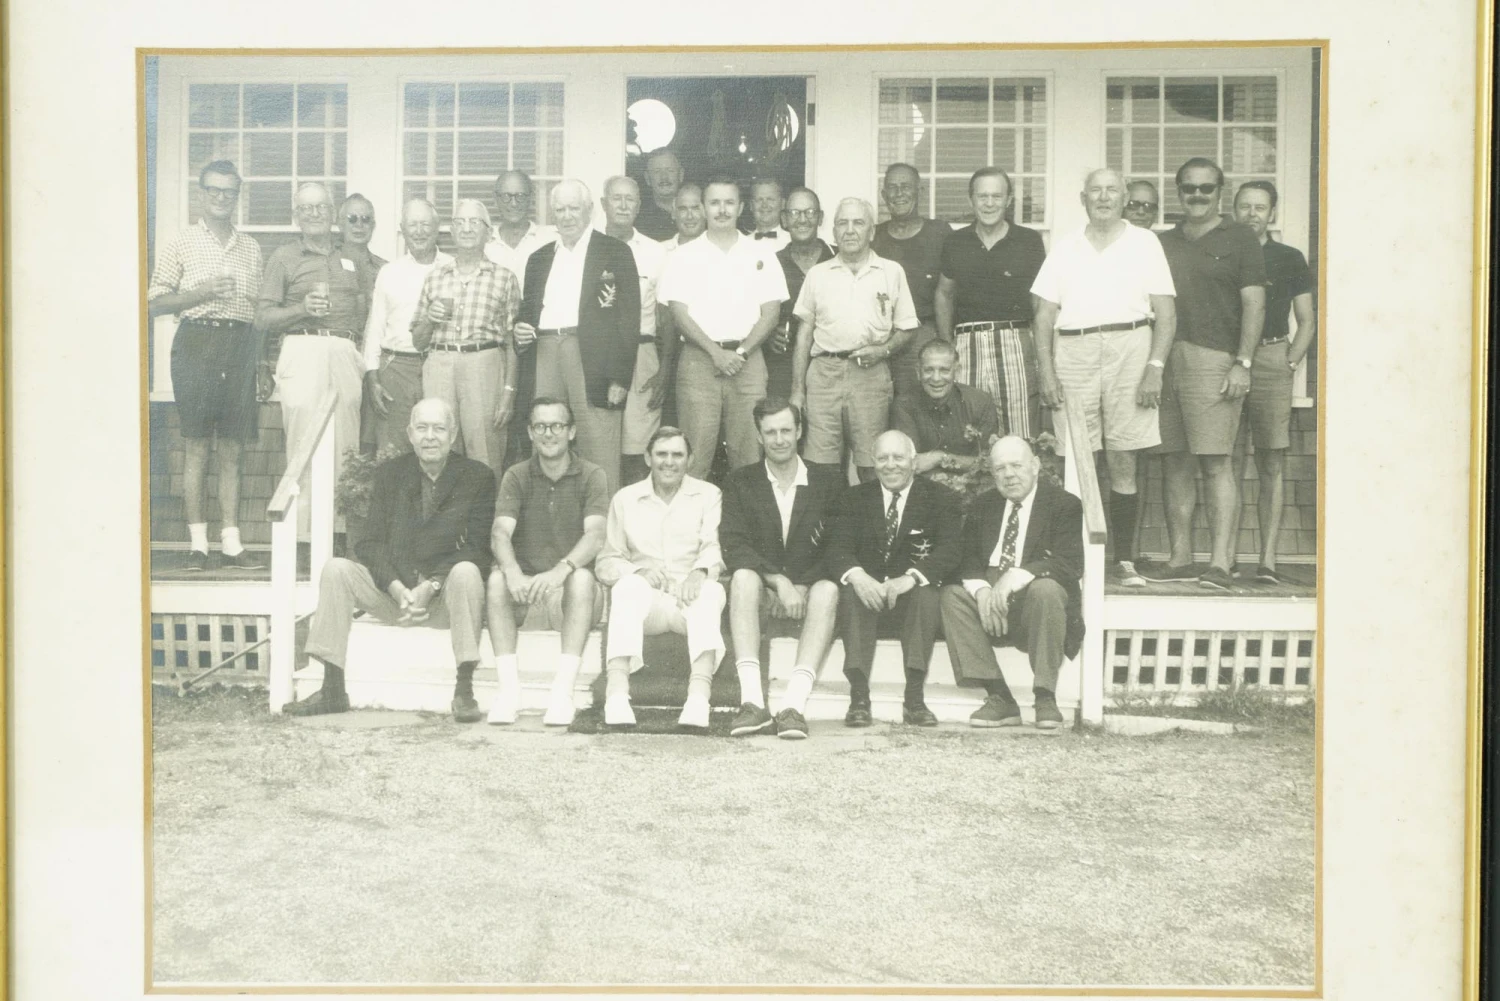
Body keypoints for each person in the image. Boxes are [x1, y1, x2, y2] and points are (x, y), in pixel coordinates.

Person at [284, 398, 496, 721]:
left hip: (444, 601)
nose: (430, 437)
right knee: (336, 569)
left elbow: (478, 548)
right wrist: (397, 588)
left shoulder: (477, 477)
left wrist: (431, 585)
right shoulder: (390, 474)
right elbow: (369, 543)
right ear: (410, 434)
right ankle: (332, 689)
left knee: (467, 571)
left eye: (439, 429)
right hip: (395, 596)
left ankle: (464, 690)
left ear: (453, 435)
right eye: (422, 428)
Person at [1031, 168, 1177, 589]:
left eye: (1112, 190)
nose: (1103, 197)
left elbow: (1166, 313)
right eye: (1095, 190)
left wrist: (1155, 368)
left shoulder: (1145, 243)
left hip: (1131, 345)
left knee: (1123, 458)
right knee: (1077, 459)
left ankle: (1124, 560)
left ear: (1125, 197)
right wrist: (1047, 371)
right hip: (1074, 349)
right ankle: (1074, 561)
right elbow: (1043, 316)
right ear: (1083, 199)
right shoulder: (1066, 247)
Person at [1147, 157, 1266, 591]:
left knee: (1216, 462)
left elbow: (1254, 304)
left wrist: (1243, 362)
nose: (1197, 195)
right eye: (1189, 188)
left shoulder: (1240, 238)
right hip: (1164, 361)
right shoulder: (1162, 242)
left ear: (1220, 192)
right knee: (1174, 462)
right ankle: (1180, 558)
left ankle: (1219, 563)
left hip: (1214, 360)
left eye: (1206, 188)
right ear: (1178, 191)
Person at [148, 159, 265, 570]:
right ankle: (198, 544)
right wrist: (202, 292)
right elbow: (155, 302)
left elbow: (258, 312)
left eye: (229, 191)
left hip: (240, 345)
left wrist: (262, 364)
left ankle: (231, 543)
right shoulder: (181, 242)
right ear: (201, 194)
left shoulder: (251, 248)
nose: (221, 197)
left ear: (237, 196)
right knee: (197, 446)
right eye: (213, 190)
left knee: (233, 448)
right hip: (197, 343)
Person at [940, 436, 1084, 730]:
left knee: (1047, 589)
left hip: (1034, 600)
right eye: (1000, 468)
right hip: (990, 595)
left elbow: (1070, 563)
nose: (1009, 475)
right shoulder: (983, 505)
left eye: (1016, 466)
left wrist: (1016, 575)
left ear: (1035, 465)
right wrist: (981, 590)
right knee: (952, 596)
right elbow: (967, 558)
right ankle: (999, 696)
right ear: (992, 474)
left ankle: (1045, 696)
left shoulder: (1063, 504)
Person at [721, 399, 845, 740]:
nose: (779, 440)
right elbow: (733, 544)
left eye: (786, 431)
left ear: (799, 431)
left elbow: (839, 545)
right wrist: (777, 581)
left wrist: (802, 584)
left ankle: (793, 706)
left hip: (810, 594)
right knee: (743, 577)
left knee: (828, 589)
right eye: (771, 432)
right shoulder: (740, 481)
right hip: (762, 591)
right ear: (759, 436)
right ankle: (752, 703)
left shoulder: (828, 481)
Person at [824, 430, 962, 727]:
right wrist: (858, 576)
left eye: (898, 457)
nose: (890, 465)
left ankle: (914, 698)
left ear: (914, 462)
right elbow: (836, 547)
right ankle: (859, 697)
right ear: (873, 463)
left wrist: (911, 577)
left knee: (926, 592)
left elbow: (951, 550)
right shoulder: (853, 499)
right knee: (851, 591)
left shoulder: (940, 498)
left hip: (911, 598)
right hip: (868, 596)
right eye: (882, 458)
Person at [513, 179, 641, 494]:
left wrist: (619, 378)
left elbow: (628, 320)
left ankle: (603, 521)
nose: (567, 216)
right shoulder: (539, 258)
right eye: (560, 210)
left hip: (592, 359)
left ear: (589, 210)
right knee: (546, 437)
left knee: (599, 446)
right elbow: (527, 312)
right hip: (545, 352)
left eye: (574, 208)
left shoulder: (614, 251)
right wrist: (519, 329)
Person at [487, 397, 609, 726]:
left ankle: (562, 693)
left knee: (582, 579)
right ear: (530, 432)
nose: (548, 433)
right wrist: (512, 571)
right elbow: (500, 532)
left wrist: (560, 571)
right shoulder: (517, 475)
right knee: (497, 580)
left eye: (557, 425)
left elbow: (596, 535)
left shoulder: (592, 475)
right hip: (527, 590)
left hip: (572, 594)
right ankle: (509, 692)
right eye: (540, 426)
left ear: (571, 432)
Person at [595, 426, 727, 730]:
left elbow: (713, 546)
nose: (669, 462)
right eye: (661, 454)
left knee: (710, 592)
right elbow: (607, 561)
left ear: (690, 459)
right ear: (648, 457)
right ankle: (617, 695)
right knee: (627, 587)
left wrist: (699, 572)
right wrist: (637, 571)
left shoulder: (708, 494)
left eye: (677, 455)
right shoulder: (626, 498)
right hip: (647, 603)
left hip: (689, 598)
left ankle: (698, 699)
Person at [254, 181, 366, 538]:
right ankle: (303, 540)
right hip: (302, 349)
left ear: (333, 213)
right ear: (296, 216)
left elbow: (366, 309)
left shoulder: (352, 257)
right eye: (307, 208)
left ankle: (340, 536)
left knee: (346, 447)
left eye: (321, 207)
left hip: (345, 352)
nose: (315, 214)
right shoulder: (284, 257)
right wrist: (301, 309)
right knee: (304, 445)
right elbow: (263, 318)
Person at [657, 178, 788, 480]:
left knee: (750, 455)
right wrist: (715, 353)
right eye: (714, 203)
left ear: (740, 208)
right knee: (694, 455)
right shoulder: (683, 255)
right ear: (704, 208)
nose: (722, 210)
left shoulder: (761, 253)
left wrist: (741, 353)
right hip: (699, 361)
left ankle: (746, 513)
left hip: (748, 361)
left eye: (729, 202)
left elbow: (771, 313)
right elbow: (678, 312)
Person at [790, 196, 919, 482]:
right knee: (820, 467)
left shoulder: (891, 271)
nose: (849, 230)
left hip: (870, 375)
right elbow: (803, 336)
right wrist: (798, 390)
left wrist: (883, 351)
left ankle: (871, 513)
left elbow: (907, 328)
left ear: (871, 232)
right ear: (834, 231)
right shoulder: (817, 274)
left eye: (858, 223)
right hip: (823, 375)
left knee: (872, 464)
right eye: (842, 223)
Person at [1231, 180, 1316, 584]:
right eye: (1245, 206)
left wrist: (1290, 361)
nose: (1252, 214)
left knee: (1270, 462)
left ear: (1272, 214)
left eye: (1260, 207)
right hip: (1228, 361)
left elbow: (1307, 319)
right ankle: (1226, 558)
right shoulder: (1225, 253)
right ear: (1234, 211)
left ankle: (1267, 561)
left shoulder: (1288, 257)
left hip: (1271, 359)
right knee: (1227, 462)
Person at [934, 167, 1047, 439]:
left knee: (1020, 435)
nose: (989, 203)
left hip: (1015, 342)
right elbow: (944, 294)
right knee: (968, 430)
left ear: (1008, 200)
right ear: (971, 200)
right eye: (982, 196)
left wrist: (1041, 354)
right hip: (967, 344)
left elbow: (1040, 302)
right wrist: (948, 344)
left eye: (996, 196)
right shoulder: (956, 241)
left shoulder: (1029, 241)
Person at [410, 199, 520, 477]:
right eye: (460, 222)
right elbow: (418, 342)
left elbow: (513, 342)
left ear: (488, 233)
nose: (467, 228)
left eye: (474, 222)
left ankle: (486, 506)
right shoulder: (435, 278)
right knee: (438, 447)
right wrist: (429, 319)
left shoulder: (504, 278)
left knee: (485, 452)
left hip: (483, 364)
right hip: (439, 364)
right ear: (452, 231)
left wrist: (509, 392)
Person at [361, 198, 451, 453]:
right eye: (413, 225)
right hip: (396, 368)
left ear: (437, 228)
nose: (419, 231)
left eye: (425, 224)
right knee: (394, 451)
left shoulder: (452, 269)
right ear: (402, 229)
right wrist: (373, 378)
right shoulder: (390, 272)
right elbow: (375, 328)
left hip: (439, 364)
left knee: (438, 446)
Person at [599, 175, 671, 487]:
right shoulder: (588, 247)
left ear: (639, 206)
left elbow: (666, 316)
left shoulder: (656, 252)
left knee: (639, 447)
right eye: (617, 198)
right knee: (600, 442)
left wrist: (664, 370)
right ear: (603, 204)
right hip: (597, 354)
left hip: (642, 354)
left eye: (630, 199)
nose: (623, 205)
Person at [873, 163, 948, 402]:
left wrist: (945, 343)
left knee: (921, 407)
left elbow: (952, 293)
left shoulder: (940, 233)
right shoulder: (873, 237)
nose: (899, 194)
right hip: (882, 338)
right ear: (884, 195)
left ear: (919, 191)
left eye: (906, 187)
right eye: (892, 188)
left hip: (924, 336)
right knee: (881, 408)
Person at [891, 338, 999, 481]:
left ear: (957, 371)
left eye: (944, 370)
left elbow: (988, 463)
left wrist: (940, 458)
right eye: (928, 370)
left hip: (972, 484)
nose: (936, 378)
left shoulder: (980, 402)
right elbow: (911, 462)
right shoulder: (905, 405)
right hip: (924, 486)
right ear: (918, 372)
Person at [770, 187, 834, 401]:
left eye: (810, 212)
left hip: (830, 367)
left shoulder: (838, 258)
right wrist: (768, 335)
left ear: (820, 218)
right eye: (795, 213)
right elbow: (752, 312)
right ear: (784, 219)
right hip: (782, 368)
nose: (803, 219)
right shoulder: (772, 264)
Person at [484, 170, 558, 293]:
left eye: (520, 196)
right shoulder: (485, 244)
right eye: (506, 196)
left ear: (531, 199)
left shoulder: (549, 241)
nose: (513, 203)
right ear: (495, 200)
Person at [337, 193, 386, 326]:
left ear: (373, 225)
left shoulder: (385, 269)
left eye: (365, 219)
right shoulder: (328, 264)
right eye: (352, 219)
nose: (359, 225)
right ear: (340, 224)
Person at [635, 148, 684, 241]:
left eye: (670, 170)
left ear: (681, 175)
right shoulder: (638, 220)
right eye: (657, 171)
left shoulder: (698, 214)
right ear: (647, 178)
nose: (664, 177)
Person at [744, 177, 791, 249]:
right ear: (751, 205)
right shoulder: (741, 244)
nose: (764, 205)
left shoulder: (793, 242)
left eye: (770, 199)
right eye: (759, 200)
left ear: (782, 204)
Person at [661, 181, 706, 250]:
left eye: (695, 209)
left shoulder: (719, 250)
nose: (689, 216)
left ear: (706, 212)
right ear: (673, 213)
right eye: (683, 209)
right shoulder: (659, 251)